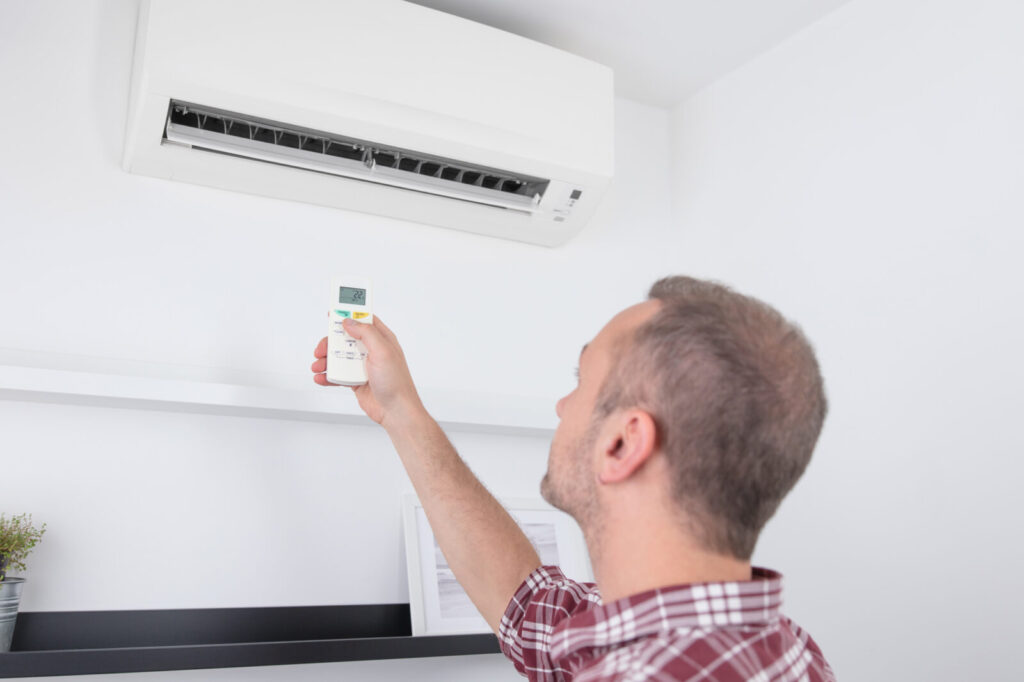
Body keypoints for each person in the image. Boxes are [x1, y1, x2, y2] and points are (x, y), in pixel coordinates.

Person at [311, 276, 835, 681]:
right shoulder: (790, 651)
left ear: (622, 444)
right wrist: (402, 410)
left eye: (580, 380)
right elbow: (526, 605)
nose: (563, 405)